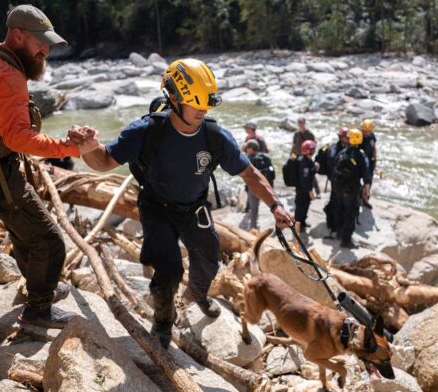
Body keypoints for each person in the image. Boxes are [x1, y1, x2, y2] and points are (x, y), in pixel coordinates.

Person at [70, 58, 294, 348]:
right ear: (173, 99)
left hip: (194, 208)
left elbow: (249, 174)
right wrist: (88, 147)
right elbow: (104, 161)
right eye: (195, 104)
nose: (203, 110)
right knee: (168, 270)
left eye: (207, 104)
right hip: (157, 207)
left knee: (209, 258)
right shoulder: (146, 131)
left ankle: (197, 295)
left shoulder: (214, 137)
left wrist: (275, 205)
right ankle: (163, 323)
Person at [0, 4, 81, 328]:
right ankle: (38, 312)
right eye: (40, 43)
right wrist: (70, 148)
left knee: (24, 229)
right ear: (17, 35)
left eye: (48, 44)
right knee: (50, 240)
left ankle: (39, 289)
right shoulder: (7, 75)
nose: (46, 51)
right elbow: (17, 138)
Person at [332, 128, 371, 249]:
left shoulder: (342, 152)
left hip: (339, 188)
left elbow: (334, 167)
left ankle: (339, 233)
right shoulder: (361, 155)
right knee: (351, 213)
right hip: (351, 189)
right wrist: (366, 187)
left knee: (340, 209)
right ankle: (346, 240)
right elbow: (366, 173)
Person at [321, 127, 348, 236]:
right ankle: (334, 225)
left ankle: (338, 224)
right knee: (336, 203)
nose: (348, 138)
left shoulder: (348, 148)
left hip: (343, 181)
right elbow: (333, 166)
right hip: (336, 181)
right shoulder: (334, 149)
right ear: (341, 137)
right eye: (346, 137)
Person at [244, 140, 275, 230]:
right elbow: (272, 174)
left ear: (250, 149)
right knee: (274, 208)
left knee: (254, 210)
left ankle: (253, 229)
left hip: (253, 189)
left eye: (247, 148)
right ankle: (279, 225)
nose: (246, 150)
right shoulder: (265, 157)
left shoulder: (248, 159)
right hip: (267, 187)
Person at [294, 140, 319, 232]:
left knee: (305, 206)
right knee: (300, 208)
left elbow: (310, 174)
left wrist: (315, 168)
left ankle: (303, 223)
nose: (314, 151)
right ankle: (298, 226)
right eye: (312, 149)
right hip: (302, 190)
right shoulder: (303, 162)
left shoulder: (308, 160)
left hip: (305, 189)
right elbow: (305, 179)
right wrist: (310, 191)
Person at [360, 119, 377, 209]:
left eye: (368, 131)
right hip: (359, 161)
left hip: (369, 161)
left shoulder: (372, 136)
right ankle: (358, 195)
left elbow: (374, 147)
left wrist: (375, 159)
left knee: (369, 181)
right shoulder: (358, 136)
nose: (366, 133)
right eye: (365, 131)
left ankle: (365, 199)